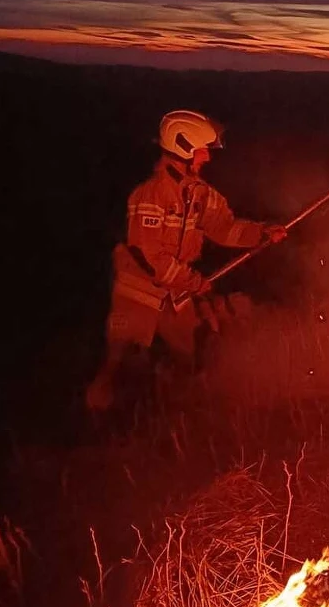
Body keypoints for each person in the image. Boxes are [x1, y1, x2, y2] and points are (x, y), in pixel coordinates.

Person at [85, 110, 287, 412]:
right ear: (184, 147)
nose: (207, 156)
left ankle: (173, 419)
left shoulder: (200, 194)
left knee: (186, 361)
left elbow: (224, 228)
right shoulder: (151, 194)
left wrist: (261, 233)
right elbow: (150, 256)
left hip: (175, 296)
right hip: (137, 295)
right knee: (119, 366)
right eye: (203, 149)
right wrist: (193, 282)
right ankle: (98, 423)